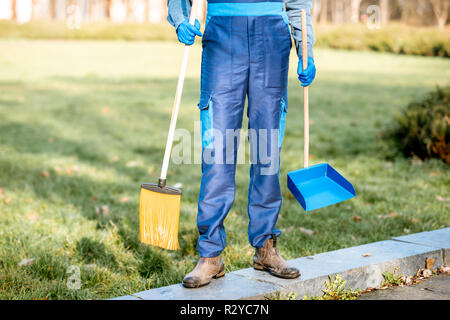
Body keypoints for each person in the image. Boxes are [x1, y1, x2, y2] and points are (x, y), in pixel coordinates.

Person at [167, 0, 316, 288]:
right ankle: (210, 255)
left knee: (266, 149)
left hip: (272, 37)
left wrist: (305, 47)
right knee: (218, 147)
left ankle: (265, 248)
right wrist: (180, 19)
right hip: (222, 34)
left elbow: (298, 4)